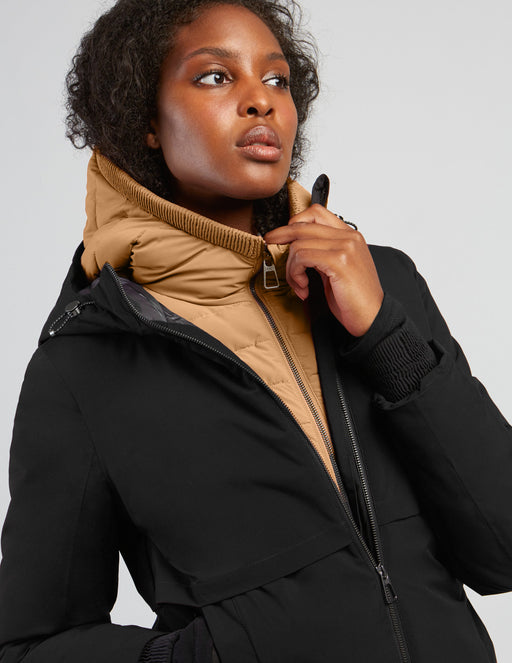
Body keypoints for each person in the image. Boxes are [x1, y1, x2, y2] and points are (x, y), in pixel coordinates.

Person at [0, 0, 511, 661]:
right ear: (145, 118)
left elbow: (502, 551)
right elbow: (30, 643)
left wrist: (384, 333)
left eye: (276, 79)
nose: (261, 100)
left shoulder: (380, 282)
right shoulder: (85, 364)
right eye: (215, 76)